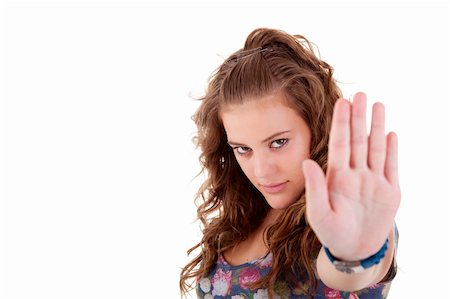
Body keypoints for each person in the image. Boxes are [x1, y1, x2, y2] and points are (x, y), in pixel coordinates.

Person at [180, 28, 400, 299]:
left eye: (278, 143)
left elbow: (347, 271)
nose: (261, 171)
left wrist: (351, 257)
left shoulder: (355, 218)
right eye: (243, 149)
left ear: (317, 129)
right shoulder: (241, 220)